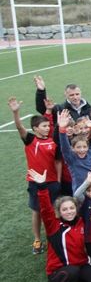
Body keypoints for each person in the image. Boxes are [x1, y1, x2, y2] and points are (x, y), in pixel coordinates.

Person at [29, 169, 91, 282]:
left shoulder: (81, 222)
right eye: (65, 209)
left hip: (80, 266)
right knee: (72, 271)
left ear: (76, 209)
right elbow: (45, 209)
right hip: (58, 271)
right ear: (59, 212)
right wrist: (42, 187)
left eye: (71, 208)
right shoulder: (53, 226)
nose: (69, 211)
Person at [8, 96, 59, 255]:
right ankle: (37, 240)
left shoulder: (53, 141)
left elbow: (58, 162)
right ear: (35, 128)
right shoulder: (30, 140)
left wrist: (57, 180)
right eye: (44, 126)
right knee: (37, 211)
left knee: (53, 211)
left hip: (52, 183)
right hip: (35, 183)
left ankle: (53, 238)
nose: (47, 128)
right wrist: (16, 112)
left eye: (48, 126)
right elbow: (19, 127)